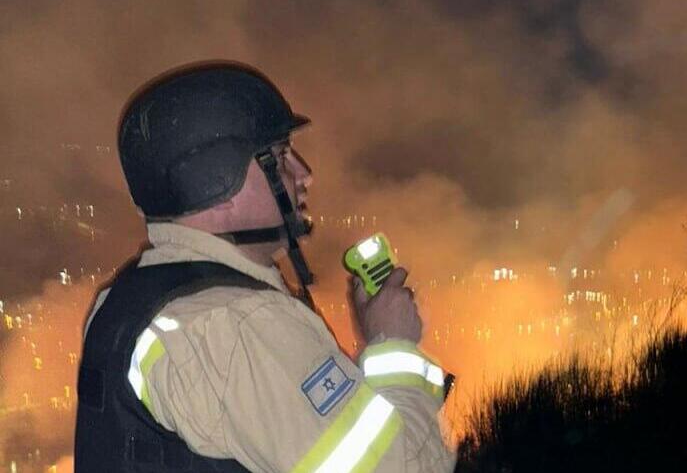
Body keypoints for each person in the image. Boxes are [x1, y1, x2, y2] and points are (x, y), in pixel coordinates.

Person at [75, 61, 456, 472]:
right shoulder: (239, 325)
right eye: (278, 157)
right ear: (216, 180)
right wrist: (392, 344)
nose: (304, 174)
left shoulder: (126, 301)